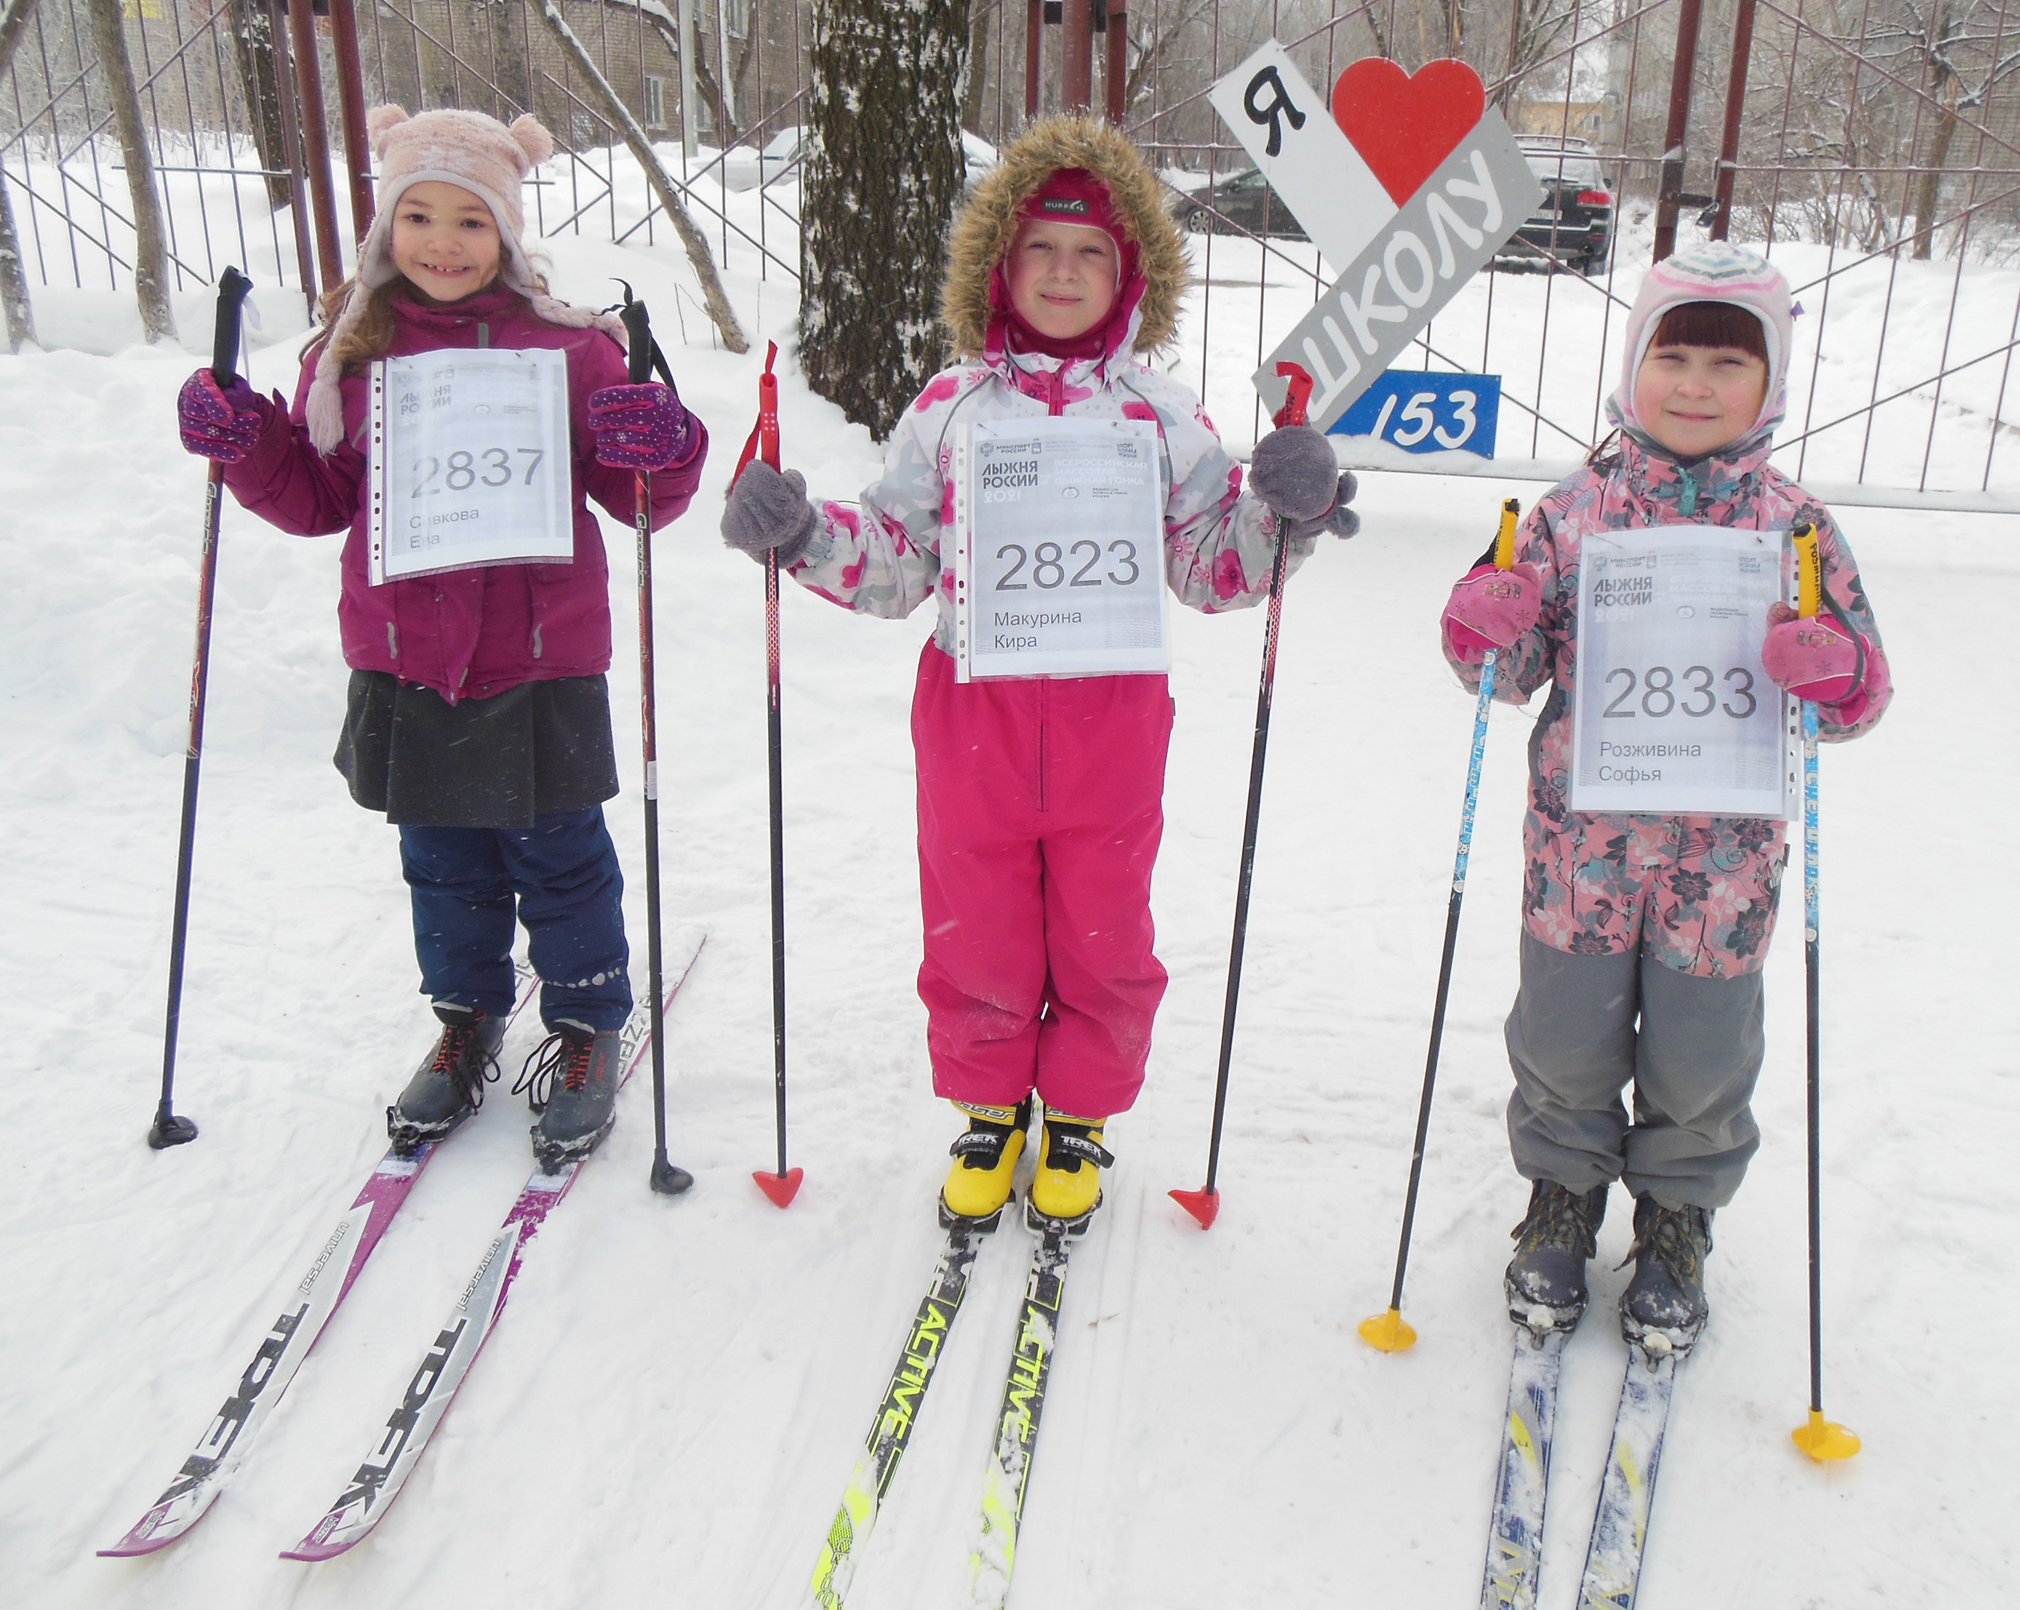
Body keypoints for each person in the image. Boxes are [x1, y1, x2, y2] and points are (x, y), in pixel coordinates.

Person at [720, 116, 1358, 1229]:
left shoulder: (1160, 413)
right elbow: (900, 556)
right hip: (975, 710)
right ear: (999, 267)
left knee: (1105, 920)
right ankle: (988, 1105)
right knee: (977, 914)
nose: (1063, 273)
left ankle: (1079, 1113)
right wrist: (803, 535)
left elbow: (1209, 568)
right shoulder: (949, 406)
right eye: (1039, 249)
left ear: (1131, 275)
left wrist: (1277, 516)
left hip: (1109, 714)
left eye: (1091, 253)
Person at [175, 106, 707, 1169]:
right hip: (406, 655)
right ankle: (467, 1017)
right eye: (418, 215)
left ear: (507, 233)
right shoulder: (354, 350)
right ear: (385, 227)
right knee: (442, 858)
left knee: (558, 852)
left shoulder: (571, 346)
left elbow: (637, 494)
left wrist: (661, 440)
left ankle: (589, 1018)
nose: (442, 241)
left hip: (544, 652)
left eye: (470, 220)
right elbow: (322, 494)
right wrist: (249, 444)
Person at [1439, 240, 1891, 1348]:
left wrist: (1831, 667)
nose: (1694, 384)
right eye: (1672, 354)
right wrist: (1481, 623)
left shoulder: (1796, 529)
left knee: (1700, 1049)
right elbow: (1503, 669)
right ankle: (1560, 1189)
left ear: (1770, 385)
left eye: (1726, 365)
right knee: (1562, 1036)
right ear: (1633, 363)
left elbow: (1858, 691)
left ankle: (1678, 1209)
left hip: (1724, 866)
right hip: (1578, 855)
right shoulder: (1570, 513)